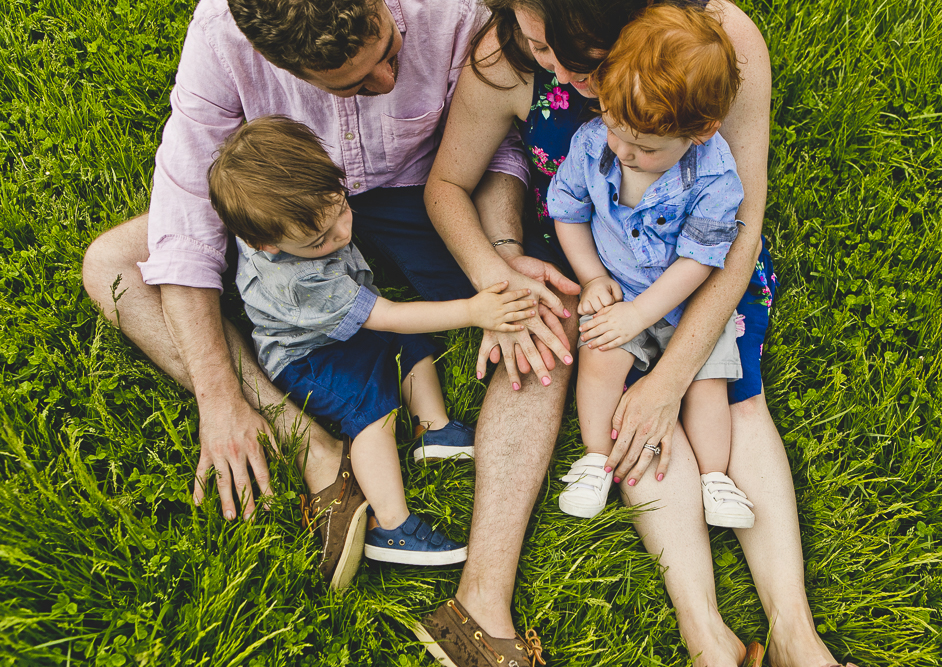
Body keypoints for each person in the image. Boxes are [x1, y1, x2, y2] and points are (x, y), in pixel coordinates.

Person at [80, 0, 578, 599]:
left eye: (390, 54)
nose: (388, 81)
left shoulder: (451, 10)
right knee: (110, 264)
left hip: (426, 194)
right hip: (295, 215)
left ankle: (481, 585)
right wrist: (218, 397)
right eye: (357, 84)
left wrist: (496, 259)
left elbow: (495, 143)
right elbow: (185, 227)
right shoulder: (222, 35)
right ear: (277, 61)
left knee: (540, 304)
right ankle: (308, 444)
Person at [420, 0, 856, 665]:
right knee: (586, 383)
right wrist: (499, 271)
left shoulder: (711, 43)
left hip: (700, 268)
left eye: (574, 55)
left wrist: (671, 377)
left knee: (734, 398)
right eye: (541, 51)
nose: (561, 72)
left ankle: (797, 635)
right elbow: (448, 182)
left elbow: (737, 230)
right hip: (596, 260)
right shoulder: (504, 55)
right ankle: (699, 632)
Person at [207, 115, 542, 583]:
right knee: (372, 412)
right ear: (264, 243)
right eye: (318, 240)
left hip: (341, 328)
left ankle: (436, 429)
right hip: (307, 358)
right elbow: (385, 314)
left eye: (340, 208)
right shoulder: (300, 280)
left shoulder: (295, 215)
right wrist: (473, 310)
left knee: (408, 340)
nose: (341, 234)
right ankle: (392, 526)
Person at [550, 4, 755, 530]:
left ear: (702, 131)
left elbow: (699, 262)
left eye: (644, 148)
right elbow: (568, 213)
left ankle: (715, 477)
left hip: (683, 301)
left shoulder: (715, 178)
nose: (621, 151)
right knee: (599, 356)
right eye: (615, 131)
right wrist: (594, 277)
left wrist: (641, 315)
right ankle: (597, 458)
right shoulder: (595, 143)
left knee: (707, 382)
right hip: (618, 288)